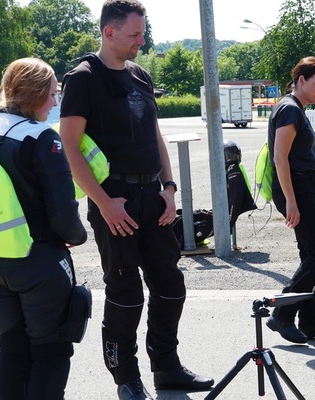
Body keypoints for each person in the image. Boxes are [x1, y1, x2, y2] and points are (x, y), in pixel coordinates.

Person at [58, 1, 213, 399]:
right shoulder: (83, 78)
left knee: (171, 286)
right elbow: (70, 147)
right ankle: (126, 377)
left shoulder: (140, 76)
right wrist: (104, 202)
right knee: (126, 294)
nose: (141, 42)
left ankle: (167, 368)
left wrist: (170, 188)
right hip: (115, 202)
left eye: (143, 33)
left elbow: (154, 136)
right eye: (134, 35)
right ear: (109, 33)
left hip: (153, 197)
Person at [0, 57, 87, 399]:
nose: (55, 102)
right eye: (53, 94)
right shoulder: (41, 138)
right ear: (36, 93)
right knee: (51, 352)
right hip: (37, 260)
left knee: (12, 347)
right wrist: (76, 237)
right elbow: (63, 214)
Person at [265, 56, 315, 343]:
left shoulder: (296, 109)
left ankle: (310, 320)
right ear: (300, 80)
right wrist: (291, 202)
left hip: (305, 188)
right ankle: (282, 312)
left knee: (311, 254)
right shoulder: (290, 109)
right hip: (296, 189)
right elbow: (279, 157)